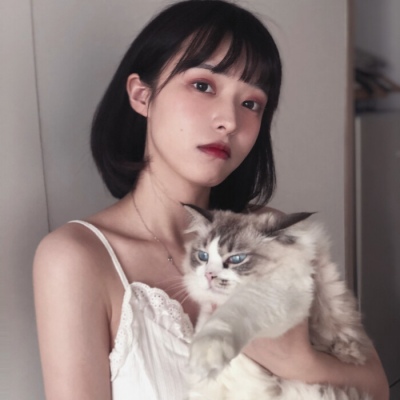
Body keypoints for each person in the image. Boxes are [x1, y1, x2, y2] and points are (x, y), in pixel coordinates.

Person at [33, 1, 389, 399]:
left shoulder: (270, 234)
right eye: (203, 86)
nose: (230, 121)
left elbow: (376, 387)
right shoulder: (77, 259)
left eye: (251, 103)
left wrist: (298, 362)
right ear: (141, 95)